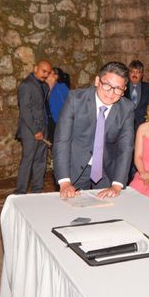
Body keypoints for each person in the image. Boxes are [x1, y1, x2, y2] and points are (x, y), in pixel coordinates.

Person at [54, 61, 135, 199]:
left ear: (124, 90)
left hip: (106, 170)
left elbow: (125, 148)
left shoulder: (127, 108)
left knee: (108, 213)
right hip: (75, 166)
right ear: (97, 81)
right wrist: (64, 181)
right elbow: (62, 141)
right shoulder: (75, 100)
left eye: (118, 89)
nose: (111, 93)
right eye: (107, 85)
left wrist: (117, 184)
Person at [14, 60, 52, 194]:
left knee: (41, 160)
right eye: (43, 71)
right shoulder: (26, 85)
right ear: (35, 68)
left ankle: (37, 190)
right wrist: (35, 130)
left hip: (43, 128)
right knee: (27, 160)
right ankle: (20, 192)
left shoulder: (44, 86)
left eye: (48, 72)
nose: (46, 74)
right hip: (30, 131)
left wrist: (45, 129)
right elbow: (25, 110)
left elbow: (43, 107)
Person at [123, 59, 149, 130]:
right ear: (128, 73)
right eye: (132, 71)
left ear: (142, 75)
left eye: (138, 72)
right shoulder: (121, 87)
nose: (135, 74)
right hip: (124, 127)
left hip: (145, 127)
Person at [45, 66, 70, 143]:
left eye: (49, 73)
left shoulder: (62, 88)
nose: (46, 74)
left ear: (55, 76)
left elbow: (69, 105)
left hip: (60, 123)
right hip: (50, 123)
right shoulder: (45, 89)